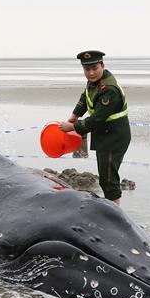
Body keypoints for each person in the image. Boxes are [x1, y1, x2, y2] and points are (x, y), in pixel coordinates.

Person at [59, 50, 131, 205]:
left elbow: (96, 120)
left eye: (94, 69)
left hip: (114, 137)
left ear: (102, 66)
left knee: (109, 178)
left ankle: (116, 215)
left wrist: (71, 127)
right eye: (87, 70)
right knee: (105, 175)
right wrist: (75, 115)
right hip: (104, 135)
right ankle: (112, 208)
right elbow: (85, 96)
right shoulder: (95, 82)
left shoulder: (109, 90)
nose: (91, 73)